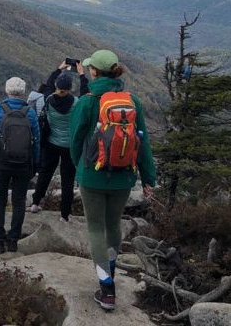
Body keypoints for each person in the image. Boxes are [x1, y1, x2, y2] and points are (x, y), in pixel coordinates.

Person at [70, 50, 156, 312]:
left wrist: (81, 168)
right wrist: (149, 178)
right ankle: (111, 271)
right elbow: (143, 144)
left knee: (95, 228)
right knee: (113, 225)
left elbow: (75, 141)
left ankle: (107, 288)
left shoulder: (86, 102)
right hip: (124, 178)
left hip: (92, 175)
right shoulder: (132, 102)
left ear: (94, 72)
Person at [0, 76, 40, 254]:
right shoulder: (30, 113)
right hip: (23, 164)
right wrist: (35, 164)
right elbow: (36, 141)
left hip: (0, 163)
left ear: (7, 91)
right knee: (18, 201)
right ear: (23, 92)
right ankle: (14, 239)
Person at [29, 60, 88, 221]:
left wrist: (58, 69)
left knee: (45, 173)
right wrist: (82, 74)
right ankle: (65, 214)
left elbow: (48, 86)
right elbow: (86, 93)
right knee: (67, 180)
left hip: (51, 144)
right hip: (70, 146)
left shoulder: (48, 100)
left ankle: (35, 203)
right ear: (70, 89)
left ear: (56, 86)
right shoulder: (77, 103)